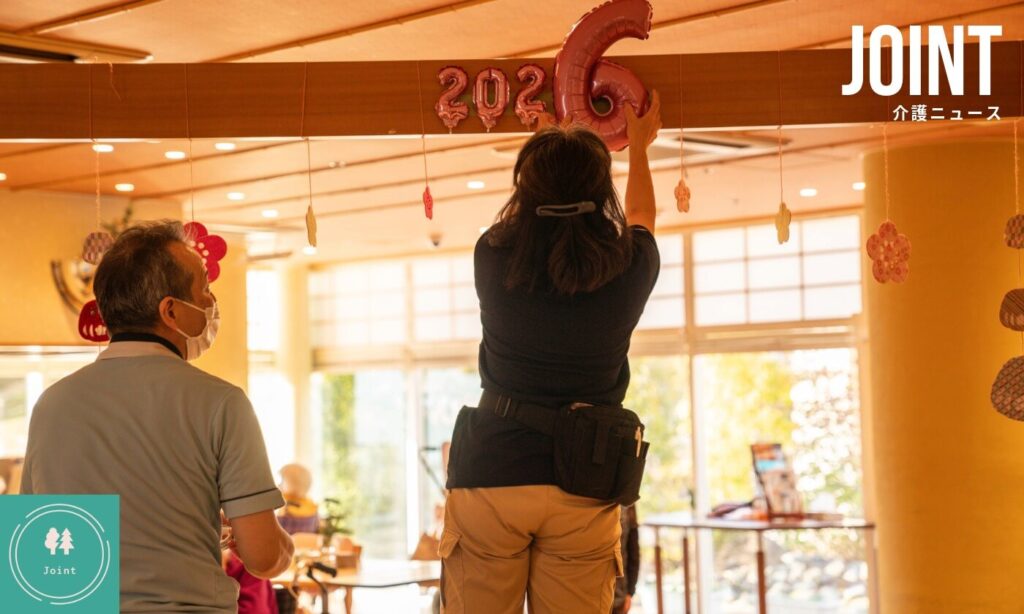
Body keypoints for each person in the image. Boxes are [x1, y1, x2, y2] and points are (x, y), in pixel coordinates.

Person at [441, 92, 663, 614]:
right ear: (600, 190)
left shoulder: (492, 255)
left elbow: (527, 218)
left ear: (528, 186)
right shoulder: (630, 265)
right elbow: (641, 214)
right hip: (585, 477)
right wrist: (639, 145)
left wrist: (547, 147)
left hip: (493, 468)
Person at [21, 221, 294, 613]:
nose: (211, 301)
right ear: (170, 310)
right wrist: (284, 546)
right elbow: (264, 558)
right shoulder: (221, 403)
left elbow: (37, 557)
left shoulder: (51, 404)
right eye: (204, 289)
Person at [612, 505, 640, 614]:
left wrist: (630, 592)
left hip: (618, 596)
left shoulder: (628, 504)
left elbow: (633, 551)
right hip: (588, 593)